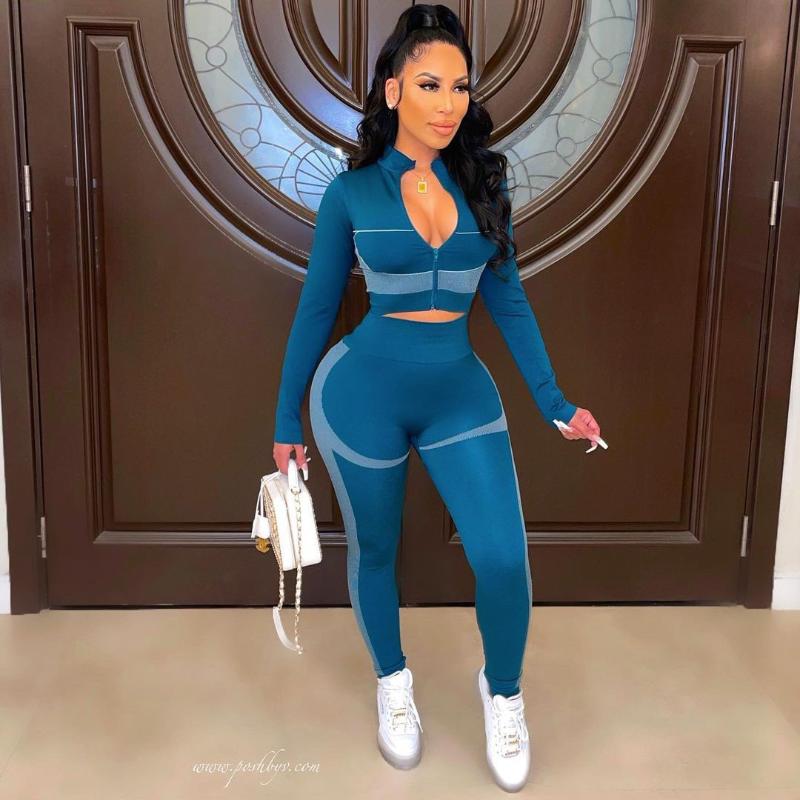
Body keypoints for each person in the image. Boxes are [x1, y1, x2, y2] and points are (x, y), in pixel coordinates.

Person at [272, 4, 601, 792]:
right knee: (376, 551)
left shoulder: (486, 186)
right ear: (393, 91)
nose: (449, 103)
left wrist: (555, 400)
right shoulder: (351, 194)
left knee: (502, 557)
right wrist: (285, 418)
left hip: (459, 392)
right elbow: (317, 309)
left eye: (459, 87)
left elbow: (509, 299)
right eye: (429, 84)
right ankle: (393, 682)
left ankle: (503, 691)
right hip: (359, 398)